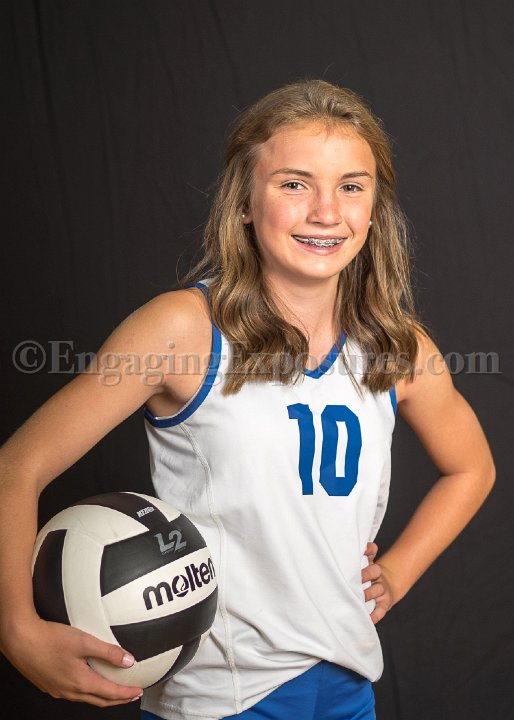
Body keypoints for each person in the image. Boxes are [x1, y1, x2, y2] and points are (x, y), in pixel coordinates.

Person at [0, 80, 494, 720]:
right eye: (294, 184)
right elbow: (17, 466)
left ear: (374, 209)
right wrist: (16, 628)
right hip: (223, 694)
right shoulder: (184, 329)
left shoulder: (395, 344)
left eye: (351, 186)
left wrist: (396, 572)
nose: (326, 211)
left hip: (347, 685)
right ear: (244, 202)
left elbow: (471, 467)